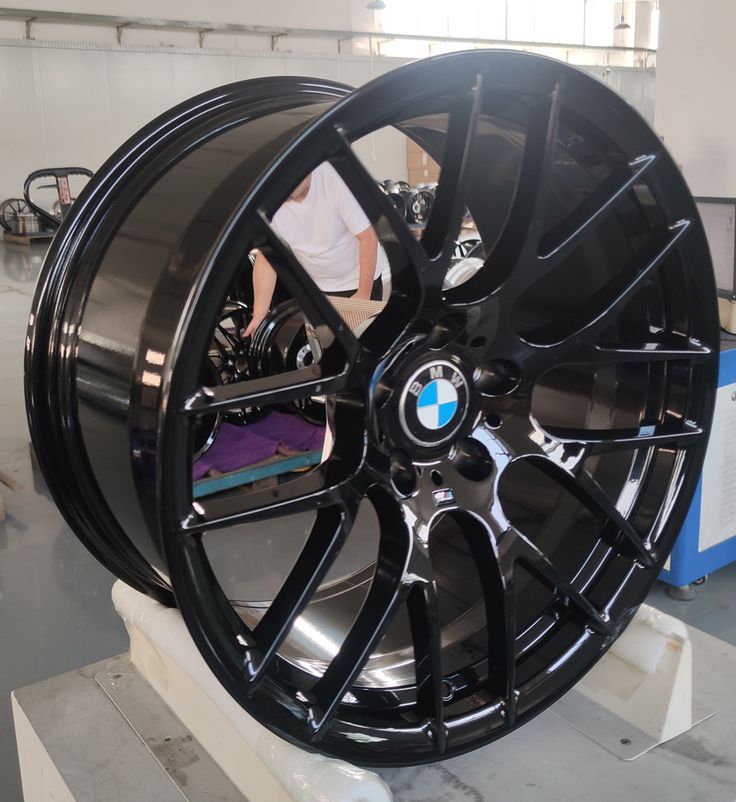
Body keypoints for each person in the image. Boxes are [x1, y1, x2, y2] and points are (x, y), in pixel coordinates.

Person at [243, 162, 381, 337]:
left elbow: (368, 237)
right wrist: (260, 314)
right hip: (318, 287)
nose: (289, 196)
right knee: (328, 347)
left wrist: (363, 296)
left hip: (357, 280)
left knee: (364, 345)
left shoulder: (335, 181)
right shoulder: (272, 201)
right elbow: (267, 257)